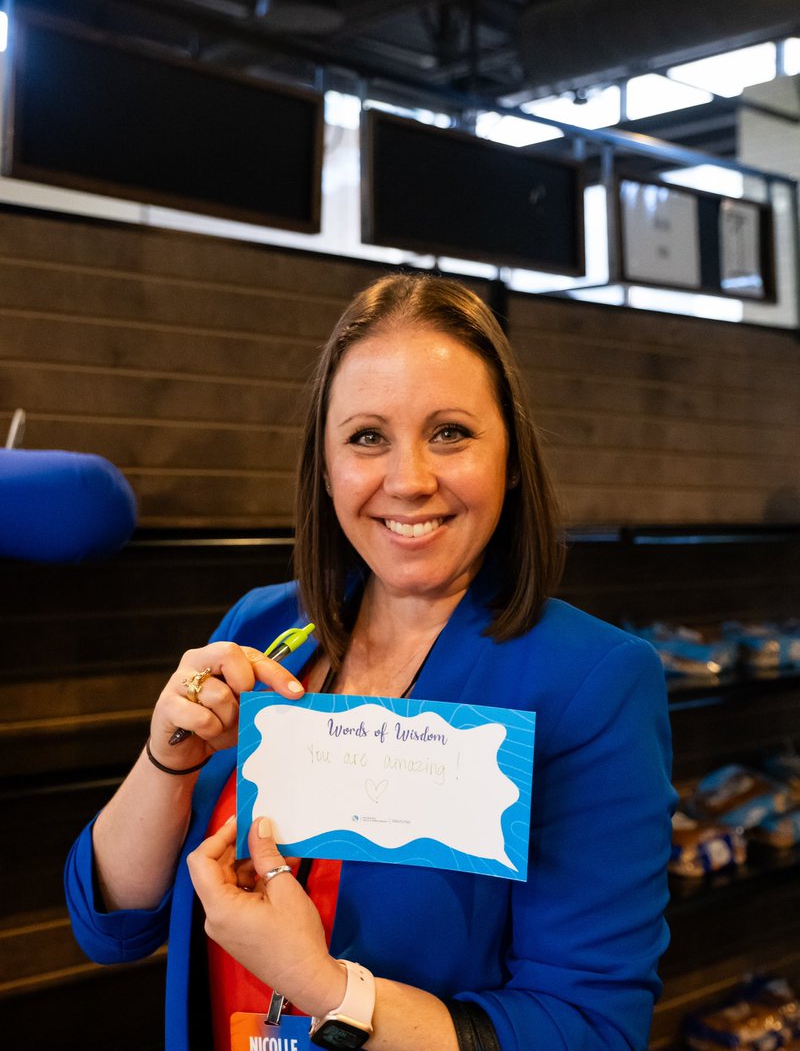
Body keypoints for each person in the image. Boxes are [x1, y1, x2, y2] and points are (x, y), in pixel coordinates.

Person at [65, 272, 676, 1051]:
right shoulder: (264, 625)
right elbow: (109, 923)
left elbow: (591, 1029)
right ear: (325, 464)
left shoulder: (593, 683)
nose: (409, 480)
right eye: (367, 437)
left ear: (512, 460)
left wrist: (331, 991)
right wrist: (168, 760)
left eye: (450, 432)